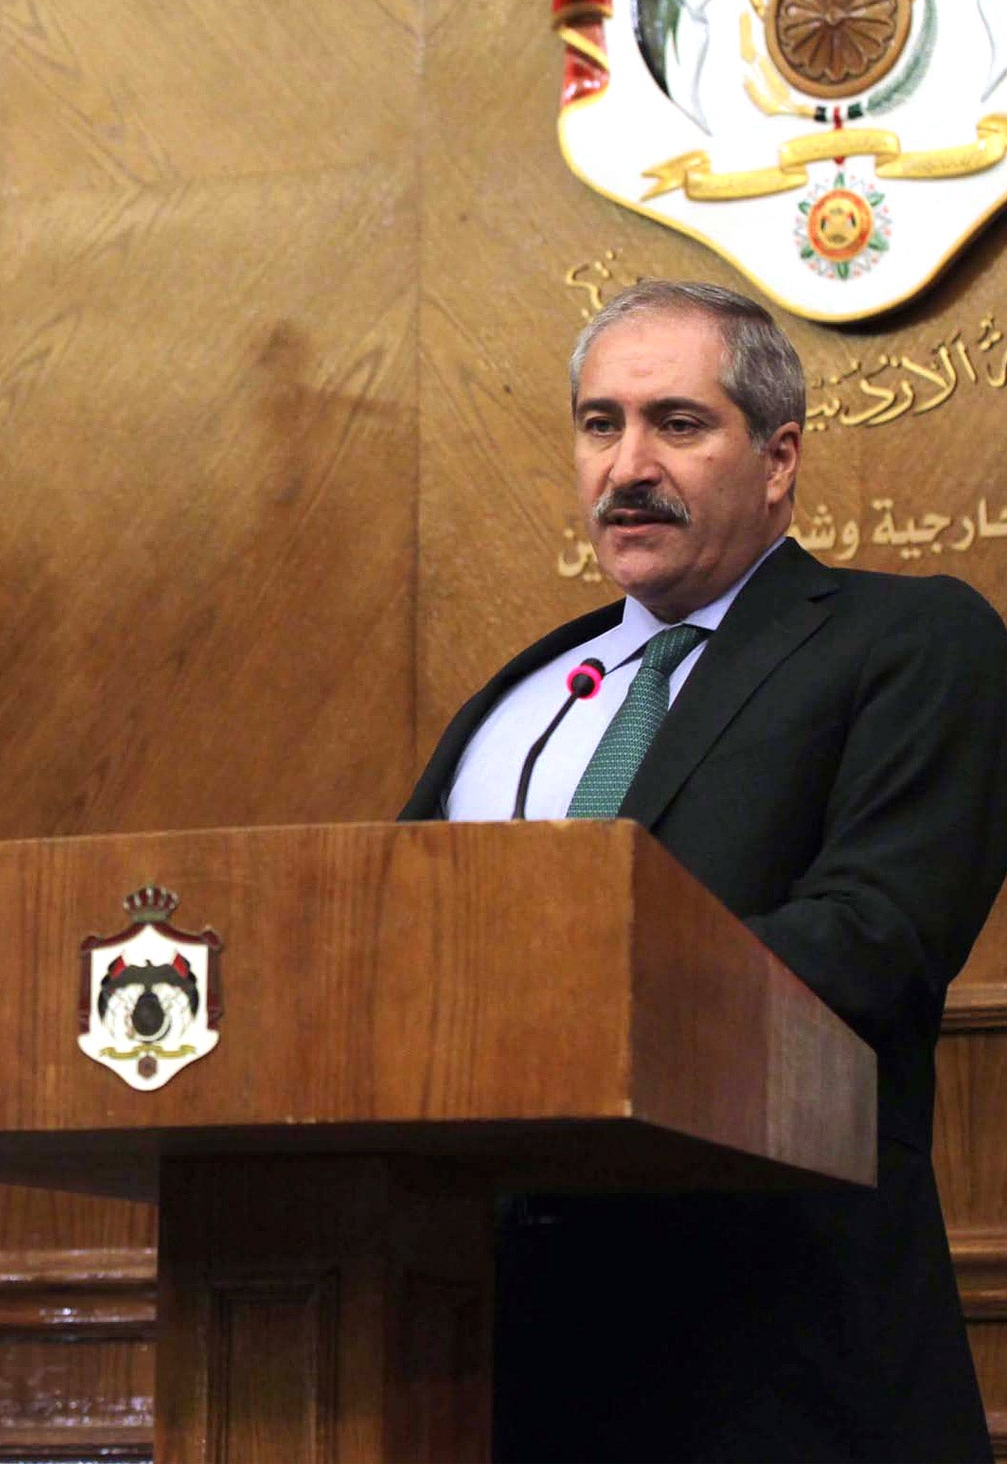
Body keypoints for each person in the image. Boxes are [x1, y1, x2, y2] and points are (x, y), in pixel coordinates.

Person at [402, 281, 1007, 1461]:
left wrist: (558, 987)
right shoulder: (528, 694)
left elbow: (874, 941)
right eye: (598, 425)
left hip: (777, 1362)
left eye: (675, 424)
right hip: (491, 1355)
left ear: (777, 460)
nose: (626, 466)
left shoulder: (908, 640)